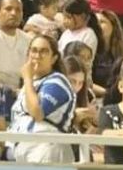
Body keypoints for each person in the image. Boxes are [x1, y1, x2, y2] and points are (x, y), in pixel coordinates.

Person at [8, 34, 77, 163]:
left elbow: (37, 113)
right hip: (21, 148)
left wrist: (27, 78)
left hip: (45, 147)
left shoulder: (58, 81)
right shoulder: (30, 85)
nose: (37, 55)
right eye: (34, 50)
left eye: (44, 51)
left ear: (54, 58)